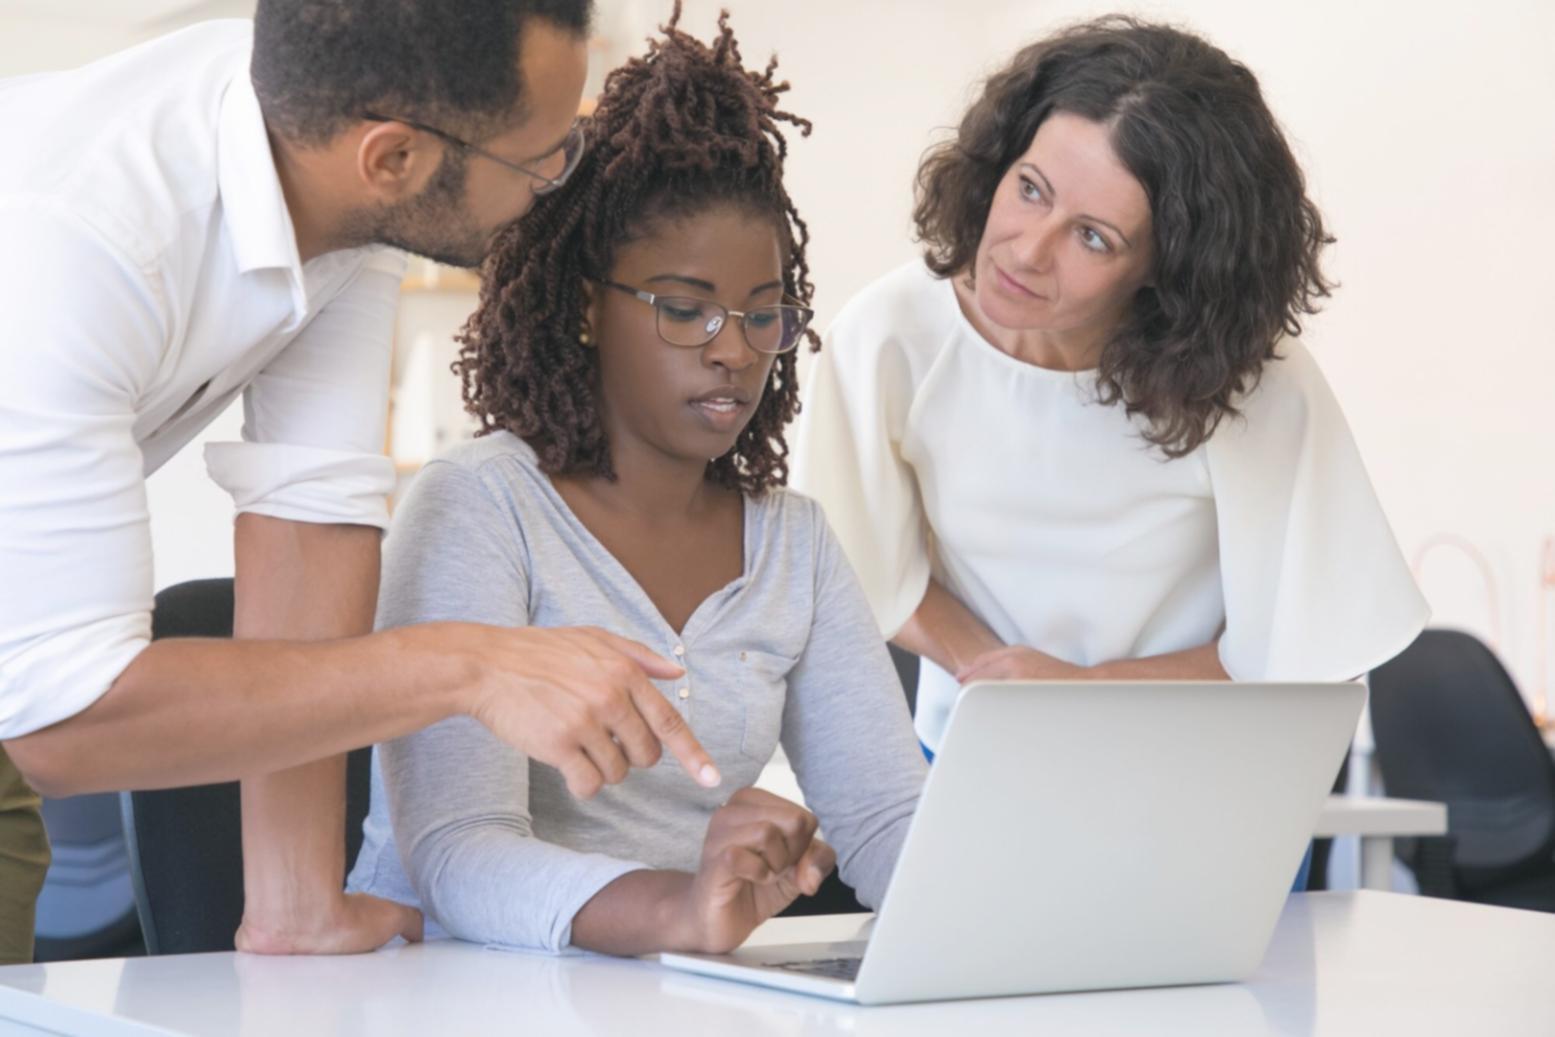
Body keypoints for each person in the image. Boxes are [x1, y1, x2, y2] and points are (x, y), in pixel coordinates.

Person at [0, 0, 720, 964]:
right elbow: (69, 722)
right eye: (541, 156)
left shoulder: (330, 148)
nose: (559, 183)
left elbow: (309, 515)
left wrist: (298, 906)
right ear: (393, 158)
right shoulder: (75, 242)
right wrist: (469, 665)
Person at [345, 7, 927, 956]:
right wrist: (676, 909)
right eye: (685, 310)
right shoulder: (481, 505)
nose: (734, 351)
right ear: (585, 307)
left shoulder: (793, 542)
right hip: (450, 989)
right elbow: (455, 854)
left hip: (674, 990)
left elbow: (888, 815)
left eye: (764, 316)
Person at [792, 16, 1429, 770]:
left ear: (1167, 267)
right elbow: (862, 568)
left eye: (1093, 236)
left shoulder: (1251, 380)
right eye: (1029, 189)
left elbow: (1299, 649)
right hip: (975, 752)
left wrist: (1081, 690)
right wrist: (999, 678)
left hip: (1205, 771)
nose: (1026, 251)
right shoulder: (889, 333)